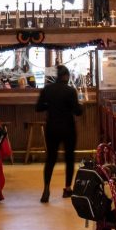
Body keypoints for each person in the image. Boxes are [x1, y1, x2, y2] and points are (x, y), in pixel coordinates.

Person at [35, 64, 82, 203]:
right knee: (69, 158)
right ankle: (67, 188)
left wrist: (49, 105)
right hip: (68, 128)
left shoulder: (47, 90)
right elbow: (77, 111)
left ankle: (46, 188)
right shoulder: (70, 91)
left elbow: (38, 107)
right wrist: (80, 106)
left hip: (52, 127)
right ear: (66, 76)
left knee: (50, 159)